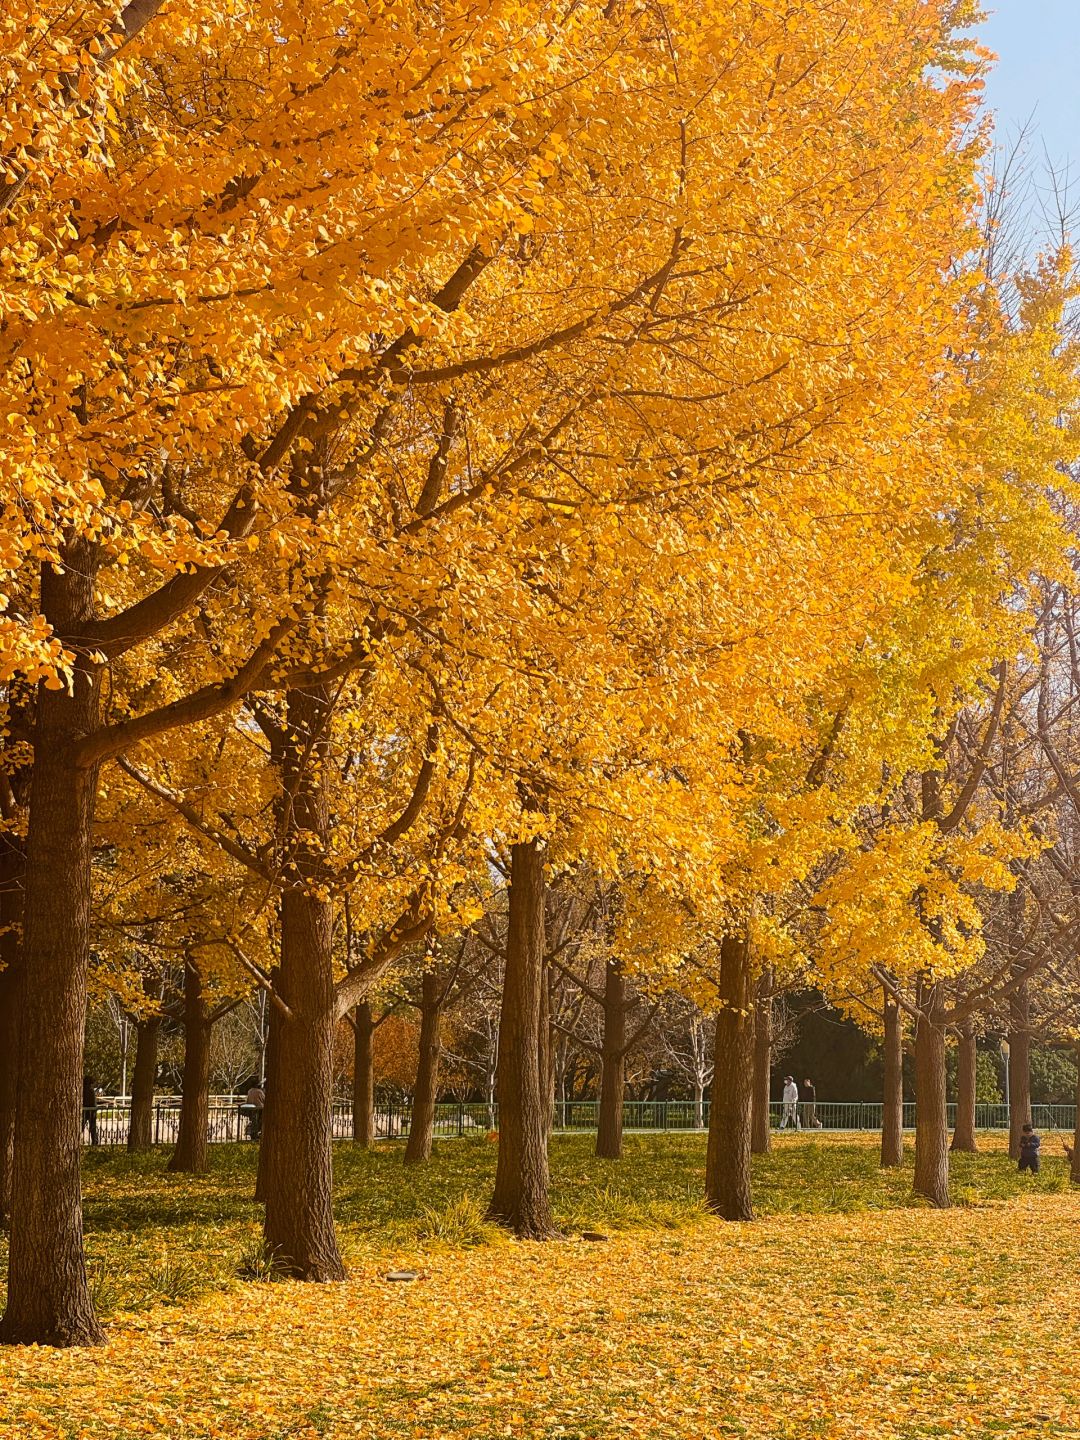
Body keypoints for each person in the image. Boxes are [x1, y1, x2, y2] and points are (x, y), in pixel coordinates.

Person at [82, 1075, 99, 1147]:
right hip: (91, 1111)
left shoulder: (82, 1090)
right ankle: (94, 1141)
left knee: (81, 1125)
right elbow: (94, 1102)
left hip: (85, 1111)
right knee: (93, 1127)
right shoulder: (91, 1091)